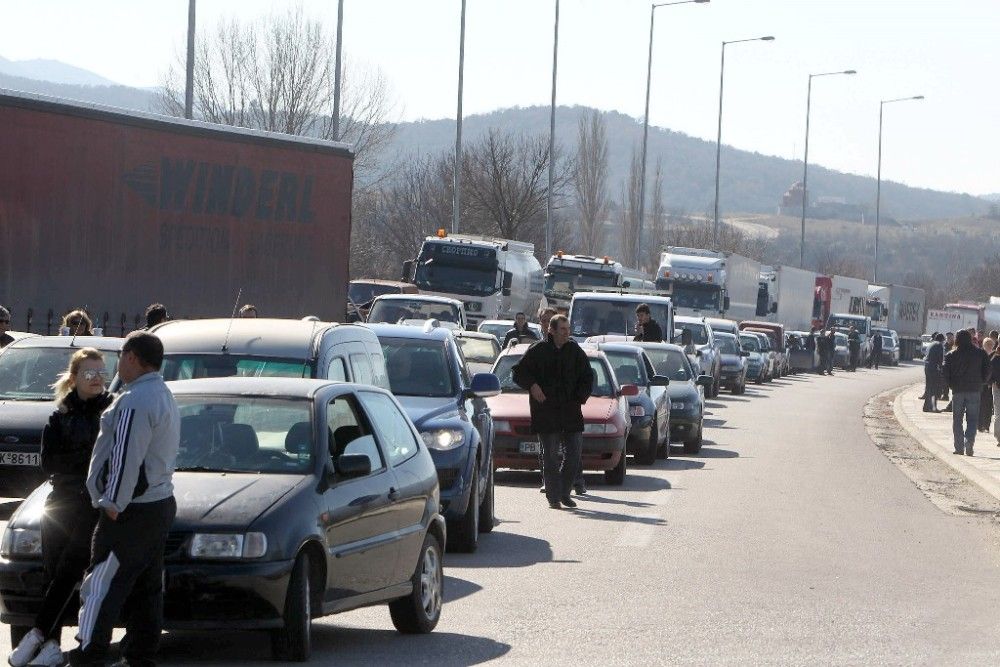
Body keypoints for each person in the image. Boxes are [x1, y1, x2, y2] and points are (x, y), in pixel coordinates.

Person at [67, 332, 180, 667]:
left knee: (100, 585)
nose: (118, 364)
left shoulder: (135, 400)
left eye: (121, 356)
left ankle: (89, 653)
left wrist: (113, 502)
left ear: (132, 357)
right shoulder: (162, 394)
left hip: (129, 511)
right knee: (147, 585)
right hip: (157, 505)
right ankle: (140, 656)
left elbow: (126, 457)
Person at [7, 349, 114, 667]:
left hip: (92, 502)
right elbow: (48, 462)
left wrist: (79, 465)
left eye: (100, 373)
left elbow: (105, 461)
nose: (96, 379)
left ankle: (37, 633)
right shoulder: (60, 415)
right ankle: (51, 643)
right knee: (54, 572)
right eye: (88, 373)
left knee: (71, 566)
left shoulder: (111, 411)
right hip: (60, 501)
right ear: (74, 378)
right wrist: (81, 462)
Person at [513, 314, 594, 509]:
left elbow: (588, 377)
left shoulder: (574, 350)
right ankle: (553, 496)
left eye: (568, 330)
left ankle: (564, 492)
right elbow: (518, 372)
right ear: (552, 331)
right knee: (549, 456)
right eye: (563, 330)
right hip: (546, 412)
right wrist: (532, 386)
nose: (567, 333)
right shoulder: (538, 350)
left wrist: (580, 397)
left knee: (574, 454)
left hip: (570, 411)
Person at [942, 329, 990, 457]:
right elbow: (988, 371)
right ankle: (969, 442)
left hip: (957, 391)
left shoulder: (951, 355)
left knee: (957, 419)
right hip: (974, 390)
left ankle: (959, 447)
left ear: (957, 339)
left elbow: (945, 373)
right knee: (972, 419)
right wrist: (982, 382)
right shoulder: (980, 353)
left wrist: (951, 385)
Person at [923, 333, 945, 412]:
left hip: (927, 367)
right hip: (934, 369)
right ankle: (933, 407)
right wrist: (941, 368)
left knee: (929, 387)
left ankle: (926, 407)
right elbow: (940, 359)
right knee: (934, 388)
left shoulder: (930, 344)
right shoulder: (939, 345)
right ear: (942, 340)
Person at [980, 338, 996, 432]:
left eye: (990, 344)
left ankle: (986, 425)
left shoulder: (994, 354)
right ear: (984, 345)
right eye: (987, 344)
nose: (989, 346)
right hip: (981, 383)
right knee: (980, 405)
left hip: (990, 383)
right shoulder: (980, 354)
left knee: (988, 406)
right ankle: (980, 424)